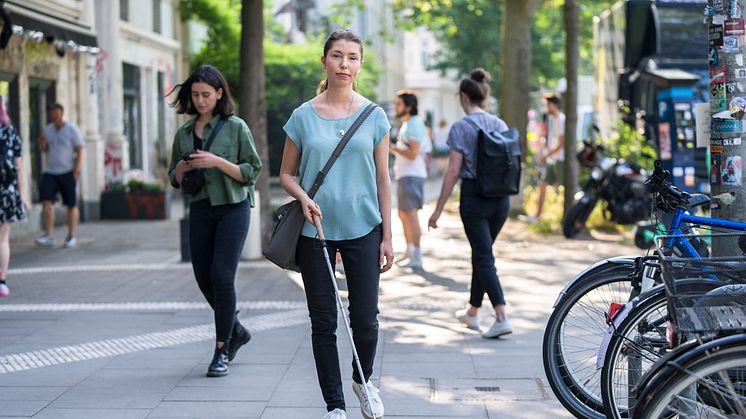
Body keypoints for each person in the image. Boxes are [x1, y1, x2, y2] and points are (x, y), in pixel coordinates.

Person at [279, 29, 393, 419]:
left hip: (365, 227)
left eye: (353, 58)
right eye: (337, 56)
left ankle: (364, 382)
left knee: (365, 319)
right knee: (324, 322)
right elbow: (286, 174)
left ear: (360, 64)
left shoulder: (375, 116)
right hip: (316, 231)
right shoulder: (302, 116)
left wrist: (388, 236)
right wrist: (304, 198)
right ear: (324, 61)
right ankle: (335, 405)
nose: (345, 64)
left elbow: (383, 178)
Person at [167, 64, 262, 377]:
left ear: (219, 93)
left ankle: (221, 349)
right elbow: (174, 179)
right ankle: (236, 329)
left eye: (206, 94)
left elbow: (251, 171)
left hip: (233, 207)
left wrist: (216, 161)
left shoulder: (236, 127)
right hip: (201, 208)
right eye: (195, 95)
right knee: (203, 277)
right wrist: (182, 168)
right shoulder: (183, 133)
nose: (200, 100)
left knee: (222, 275)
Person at [428, 68, 513, 339]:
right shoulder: (499, 124)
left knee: (483, 255)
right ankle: (473, 312)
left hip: (475, 198)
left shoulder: (461, 127)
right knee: (482, 253)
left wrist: (438, 209)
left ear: (463, 96)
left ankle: (501, 316)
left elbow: (453, 171)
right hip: (501, 200)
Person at [35, 103, 84, 248]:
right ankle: (49, 234)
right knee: (46, 201)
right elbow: (44, 149)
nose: (54, 116)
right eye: (51, 114)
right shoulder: (47, 130)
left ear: (62, 114)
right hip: (51, 171)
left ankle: (71, 235)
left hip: (68, 171)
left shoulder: (72, 130)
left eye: (56, 113)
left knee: (71, 204)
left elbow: (80, 149)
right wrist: (42, 144)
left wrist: (77, 169)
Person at [390, 91, 428, 269]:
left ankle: (417, 255)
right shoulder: (407, 124)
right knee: (403, 214)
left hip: (412, 175)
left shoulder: (414, 123)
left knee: (411, 215)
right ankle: (410, 250)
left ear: (409, 106)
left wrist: (391, 147)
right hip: (405, 174)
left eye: (399, 104)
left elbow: (413, 153)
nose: (396, 107)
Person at [0, 97, 27, 297]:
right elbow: (18, 167)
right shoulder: (10, 132)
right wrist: (22, 193)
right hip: (7, 192)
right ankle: (1, 282)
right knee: (3, 239)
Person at [533, 94, 566, 221]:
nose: (546, 107)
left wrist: (546, 155)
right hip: (554, 159)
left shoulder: (561, 120)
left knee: (568, 189)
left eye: (548, 104)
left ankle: (570, 217)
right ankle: (537, 216)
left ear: (555, 105)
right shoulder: (554, 119)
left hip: (561, 160)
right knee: (542, 185)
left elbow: (561, 144)